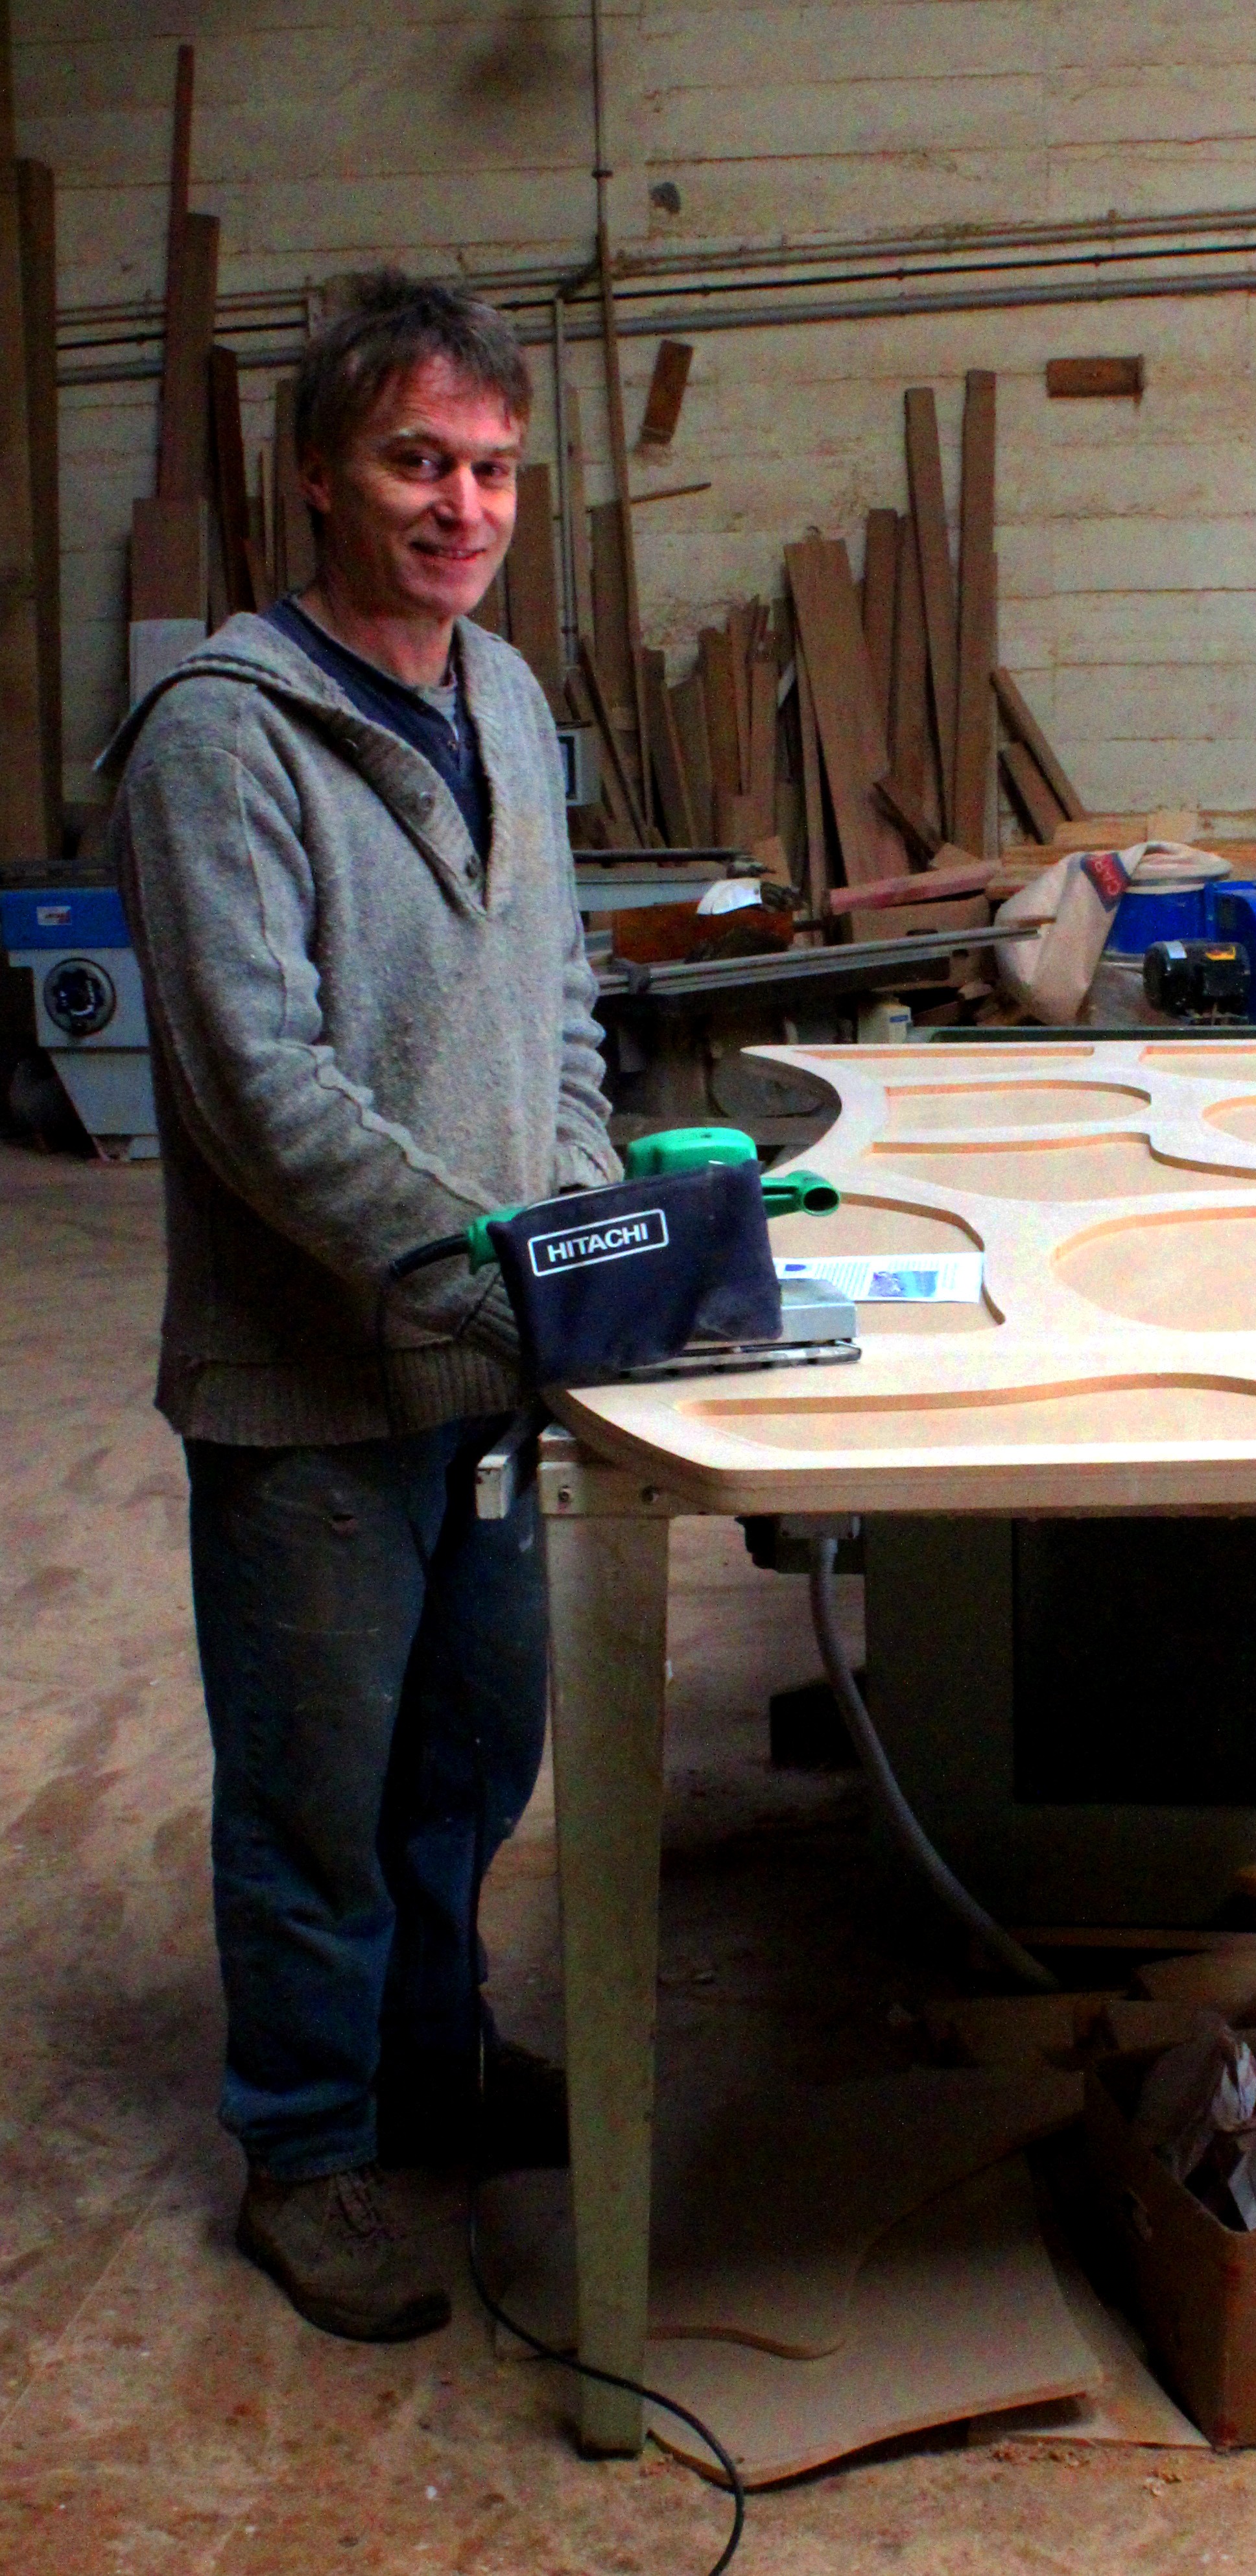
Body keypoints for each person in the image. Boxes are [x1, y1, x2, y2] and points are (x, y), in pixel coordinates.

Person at [107, 270, 618, 2344]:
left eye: (492, 467)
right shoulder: (221, 737)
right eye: (418, 459)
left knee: (467, 1763)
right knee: (315, 1788)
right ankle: (306, 2148)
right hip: (314, 1386)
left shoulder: (502, 699)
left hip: (489, 1361)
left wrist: (579, 1238)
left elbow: (560, 1010)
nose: (460, 503)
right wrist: (488, 1271)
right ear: (316, 473)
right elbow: (255, 1087)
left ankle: (433, 2061)